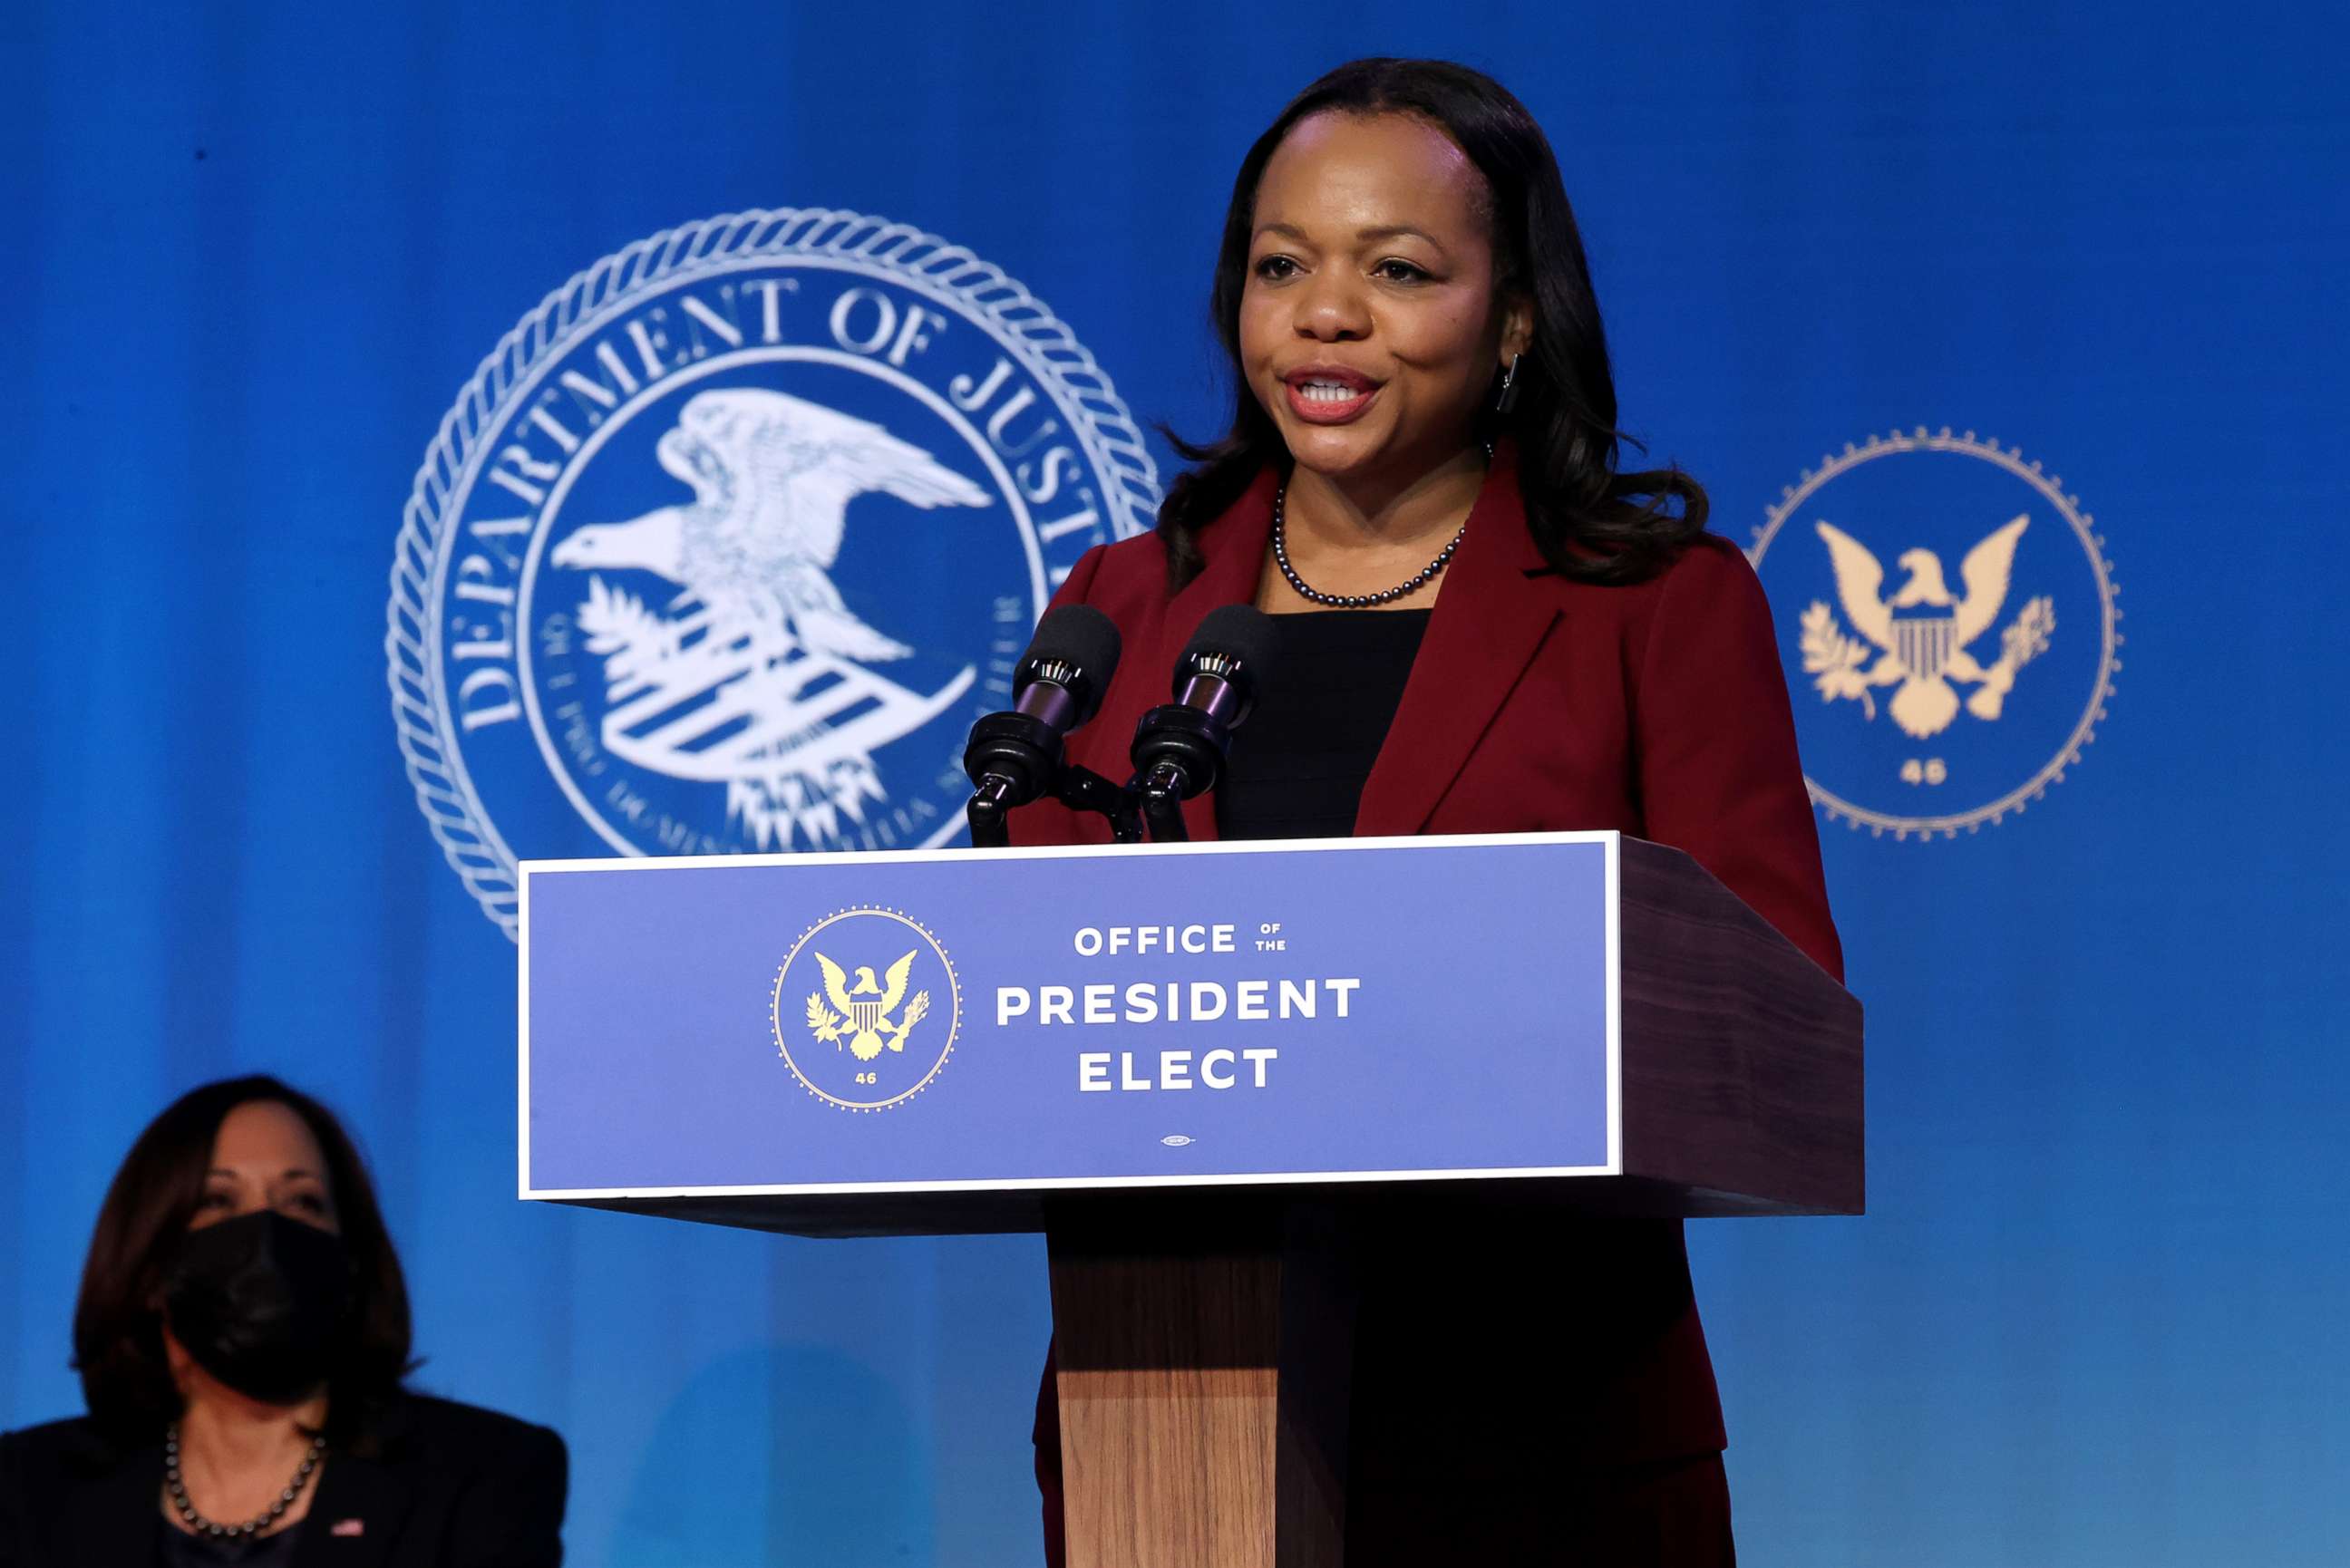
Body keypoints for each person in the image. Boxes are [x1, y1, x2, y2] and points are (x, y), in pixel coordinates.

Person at [1011, 57, 1842, 1566]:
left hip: (1545, 1432)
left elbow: (1768, 1019)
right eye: (1282, 268)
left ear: (1515, 315)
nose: (1326, 315)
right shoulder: (1118, 605)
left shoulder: (1651, 608)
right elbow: (1029, 1005)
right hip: (1175, 1425)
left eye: (1397, 270)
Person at [0, 1076, 567, 1566]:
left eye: (303, 1203)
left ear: (350, 1255)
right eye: (218, 1201)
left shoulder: (480, 1476)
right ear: (149, 1265)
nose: (265, 1235)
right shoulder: (28, 1490)